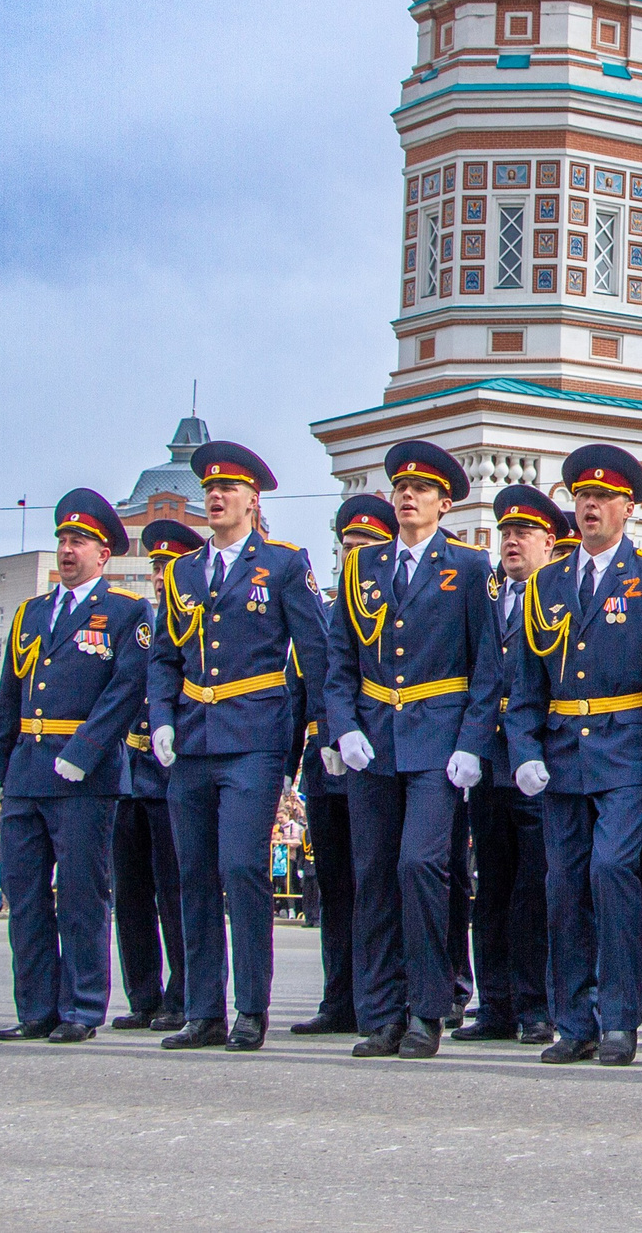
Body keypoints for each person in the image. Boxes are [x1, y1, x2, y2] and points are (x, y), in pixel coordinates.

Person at [501, 445, 642, 1065]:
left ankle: (619, 1019)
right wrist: (524, 749)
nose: (589, 507)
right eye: (582, 497)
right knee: (563, 888)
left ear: (628, 509)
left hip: (628, 751)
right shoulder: (547, 582)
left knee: (612, 874)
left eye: (603, 498)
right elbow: (527, 679)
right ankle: (573, 1021)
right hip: (561, 755)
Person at [146, 440, 330, 1053]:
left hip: (254, 736)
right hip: (193, 738)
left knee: (242, 867)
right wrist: (162, 718)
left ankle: (251, 1006)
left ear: (253, 499)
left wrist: (317, 731)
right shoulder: (182, 572)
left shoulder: (281, 563)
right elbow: (164, 656)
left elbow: (315, 649)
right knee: (193, 873)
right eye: (210, 490)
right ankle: (204, 1009)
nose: (217, 497)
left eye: (228, 489)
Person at [322, 442, 498, 1061]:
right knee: (372, 875)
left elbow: (487, 667)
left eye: (421, 490)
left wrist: (473, 742)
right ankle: (381, 1013)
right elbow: (340, 660)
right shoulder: (360, 567)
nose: (407, 496)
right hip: (373, 739)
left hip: (438, 740)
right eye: (400, 486)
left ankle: (427, 1009)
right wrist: (341, 726)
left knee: (420, 867)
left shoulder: (470, 568)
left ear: (444, 503)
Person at [0, 488, 150, 1043]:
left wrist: (84, 751)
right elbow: (11, 693)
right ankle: (35, 1007)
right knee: (25, 896)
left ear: (104, 554)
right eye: (62, 540)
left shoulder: (126, 612)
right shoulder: (32, 613)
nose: (67, 550)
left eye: (79, 541)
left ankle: (80, 1006)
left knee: (81, 895)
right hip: (29, 770)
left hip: (86, 776)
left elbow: (126, 689)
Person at [452, 485, 560, 1045]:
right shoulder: (485, 596)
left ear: (550, 542)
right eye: (506, 533)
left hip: (539, 759)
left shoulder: (559, 596)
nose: (512, 542)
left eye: (524, 533)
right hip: (489, 757)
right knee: (490, 882)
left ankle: (535, 1003)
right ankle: (493, 1002)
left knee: (536, 884)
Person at [286, 492, 391, 1039]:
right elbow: (299, 689)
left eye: (365, 546)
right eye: (346, 547)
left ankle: (381, 998)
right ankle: (339, 997)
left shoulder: (393, 605)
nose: (353, 556)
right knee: (334, 885)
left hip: (377, 761)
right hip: (322, 768)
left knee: (377, 882)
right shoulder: (325, 610)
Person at [112, 518, 200, 1030]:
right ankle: (142, 995)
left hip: (174, 775)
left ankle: (183, 994)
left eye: (170, 566)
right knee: (131, 894)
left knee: (176, 890)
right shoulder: (139, 622)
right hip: (130, 771)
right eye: (156, 567)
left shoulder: (197, 624)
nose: (161, 575)